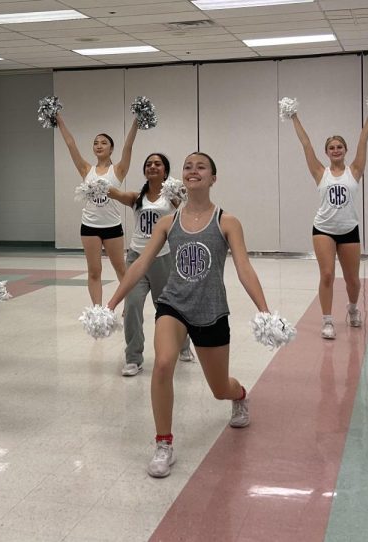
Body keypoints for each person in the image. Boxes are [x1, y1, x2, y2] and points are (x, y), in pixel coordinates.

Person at [106, 152, 275, 478]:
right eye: (188, 167)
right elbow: (140, 263)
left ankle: (239, 395)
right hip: (174, 304)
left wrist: (265, 311)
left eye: (201, 167)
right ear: (182, 178)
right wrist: (112, 302)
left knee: (219, 388)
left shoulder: (227, 222)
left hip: (211, 310)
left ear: (213, 178)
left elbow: (244, 268)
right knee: (164, 363)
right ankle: (163, 444)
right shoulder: (168, 222)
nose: (193, 170)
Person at [289, 104, 368, 339]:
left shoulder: (355, 170)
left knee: (352, 280)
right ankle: (327, 321)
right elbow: (306, 144)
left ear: (345, 150)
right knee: (327, 274)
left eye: (339, 147)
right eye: (331, 148)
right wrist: (294, 116)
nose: (335, 150)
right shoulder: (320, 172)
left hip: (349, 229)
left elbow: (364, 140)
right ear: (326, 152)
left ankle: (353, 307)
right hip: (323, 229)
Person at [107, 153, 194, 376]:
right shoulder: (136, 197)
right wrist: (96, 184)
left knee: (167, 309)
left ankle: (183, 344)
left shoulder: (173, 197)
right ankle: (133, 358)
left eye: (158, 164)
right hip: (136, 258)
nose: (152, 166)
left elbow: (190, 193)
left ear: (165, 171)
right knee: (133, 306)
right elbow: (113, 192)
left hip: (163, 258)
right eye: (148, 164)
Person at [55, 110, 139, 305]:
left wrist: (137, 120)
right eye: (95, 142)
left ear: (111, 149)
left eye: (103, 142)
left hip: (112, 226)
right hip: (89, 226)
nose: (99, 145)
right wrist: (59, 119)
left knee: (121, 269)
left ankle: (129, 305)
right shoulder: (86, 169)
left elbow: (129, 146)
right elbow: (70, 144)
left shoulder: (117, 170)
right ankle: (97, 311)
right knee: (94, 271)